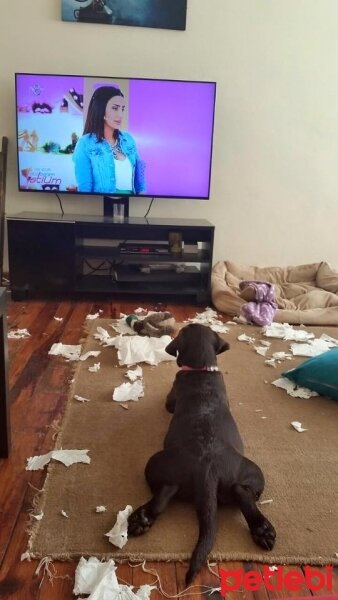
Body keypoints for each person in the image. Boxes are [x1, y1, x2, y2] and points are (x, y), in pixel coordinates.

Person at [73, 85, 146, 194]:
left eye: (122, 109)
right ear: (101, 110)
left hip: (132, 205)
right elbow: (85, 190)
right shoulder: (85, 143)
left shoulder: (128, 139)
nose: (120, 114)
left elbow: (140, 184)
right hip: (97, 206)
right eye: (115, 108)